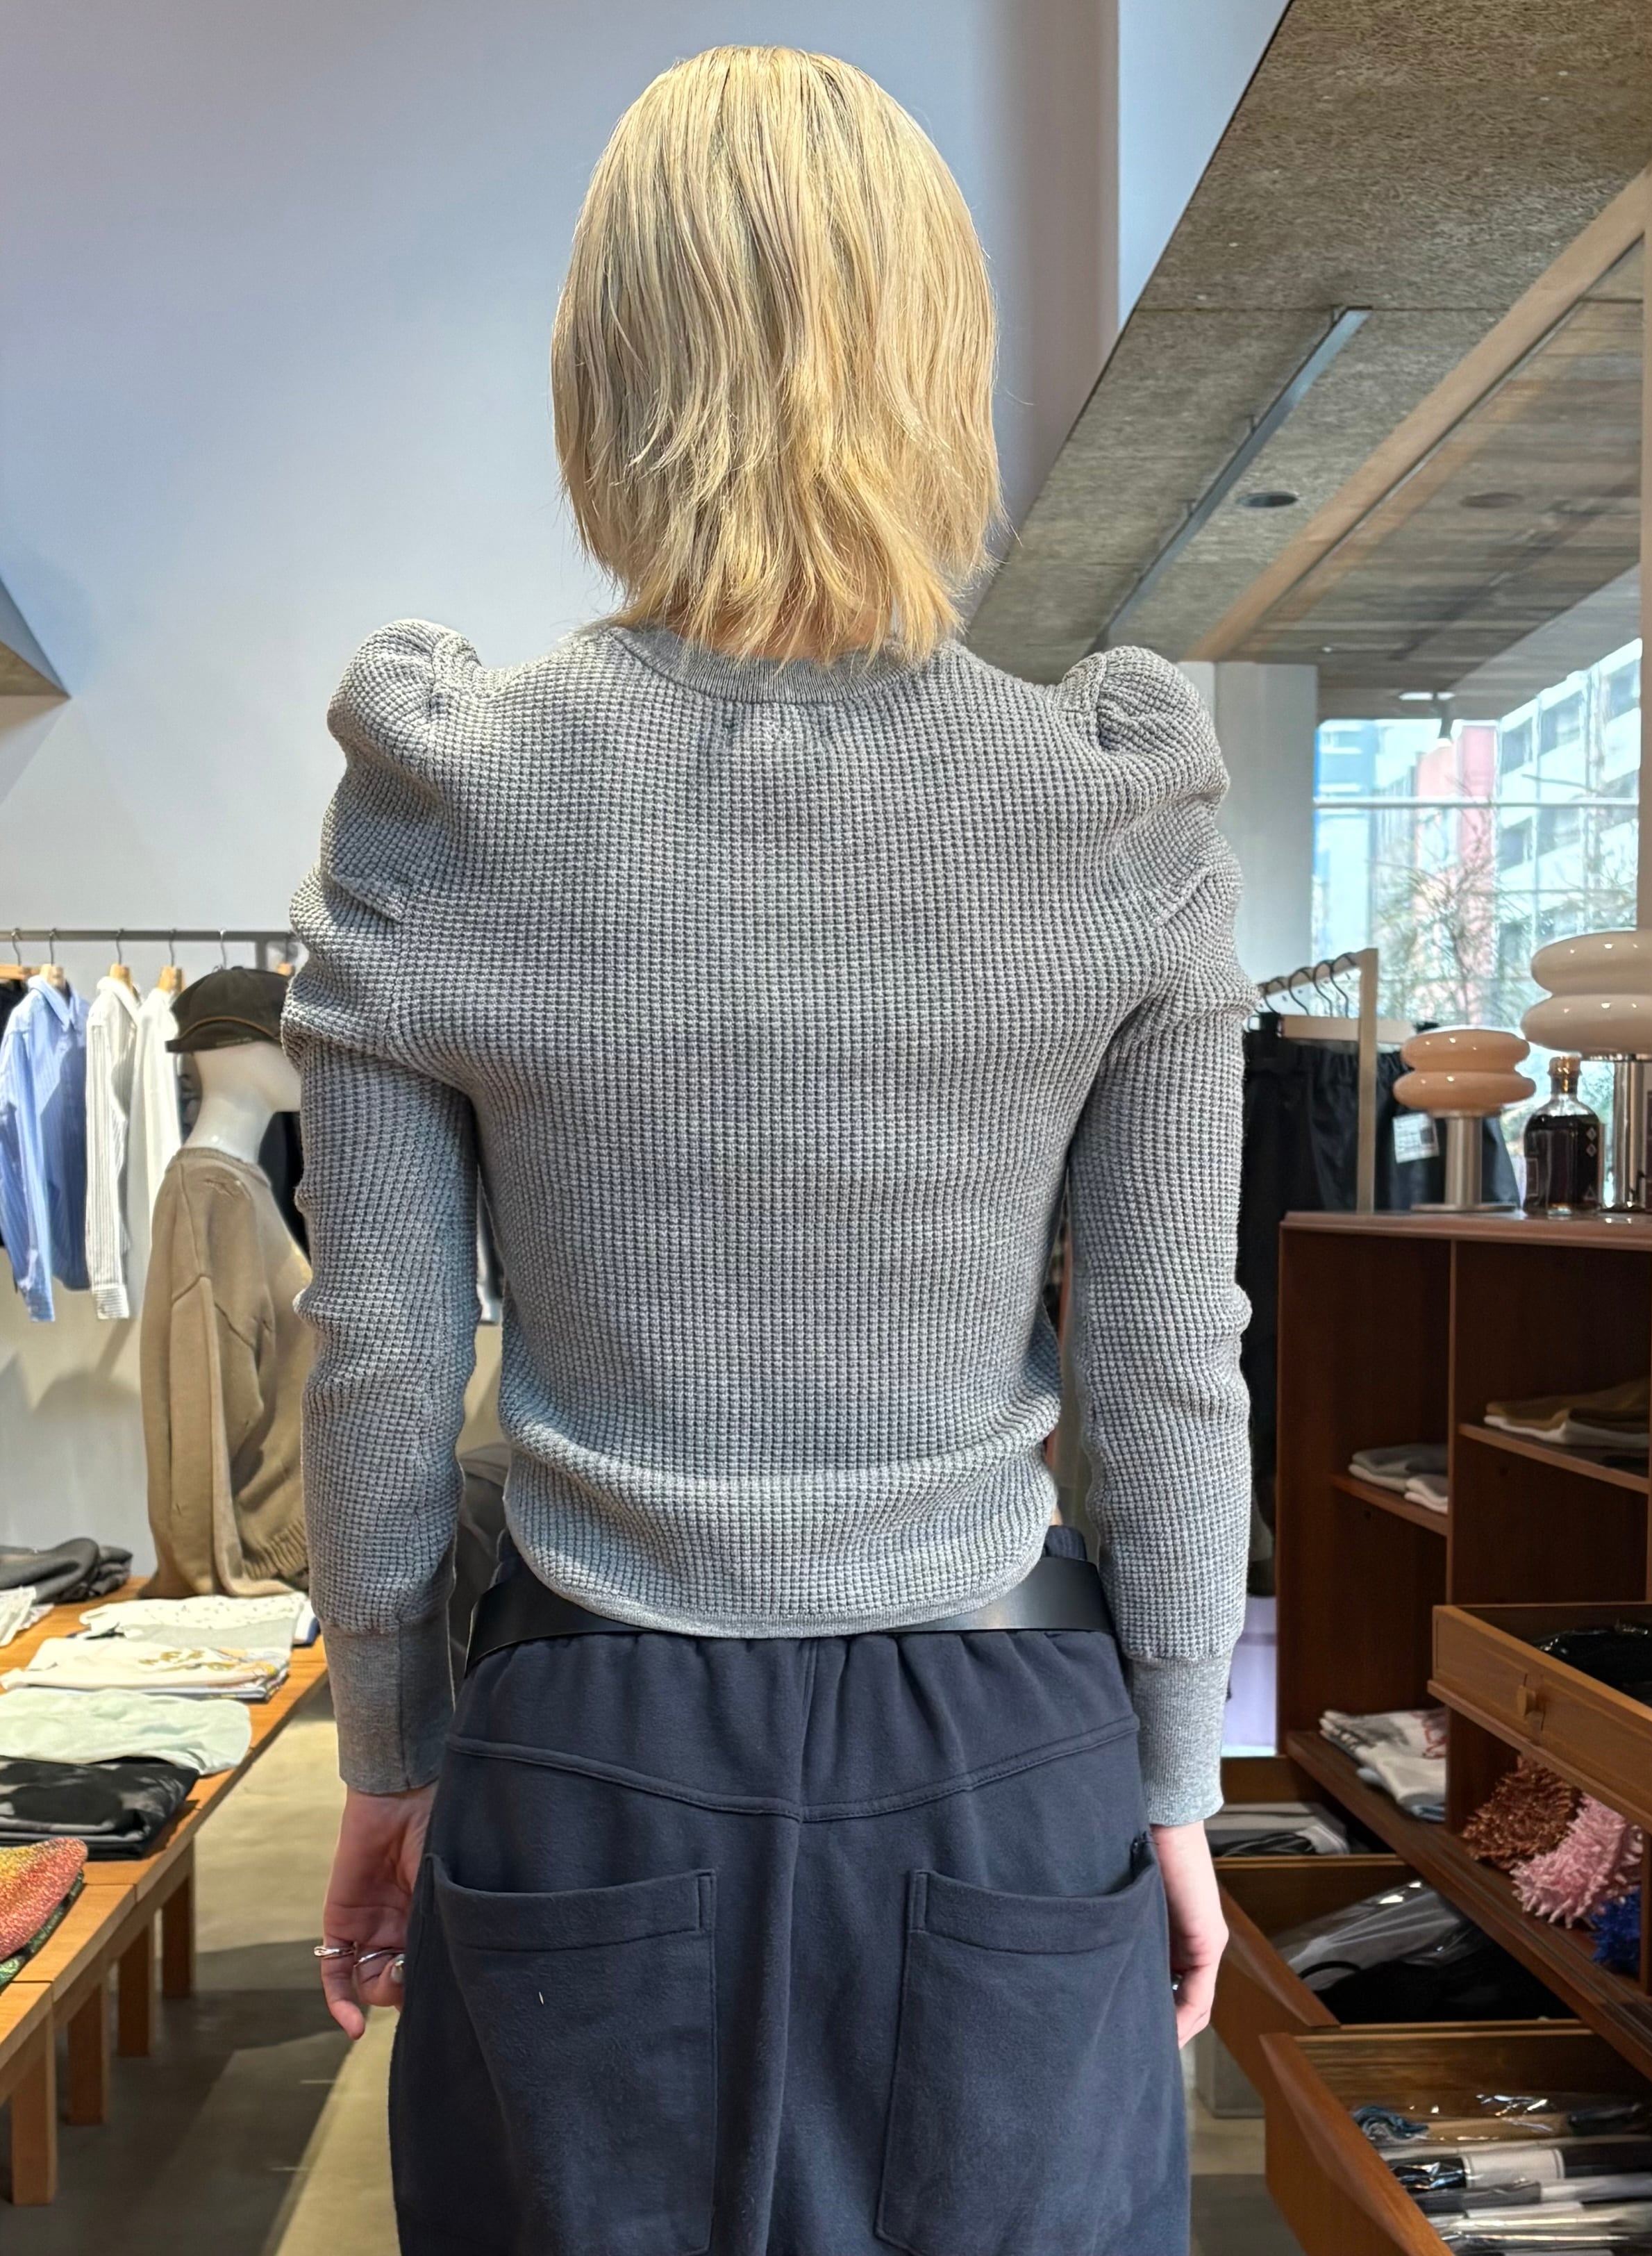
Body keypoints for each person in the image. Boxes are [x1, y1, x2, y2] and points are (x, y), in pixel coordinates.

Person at [284, 44, 1252, 2256]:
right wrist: (1175, 1779)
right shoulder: (1104, 809)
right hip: (1002, 1745)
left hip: (588, 1734)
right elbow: (1165, 1362)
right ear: (941, 365)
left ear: (601, 373)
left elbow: (378, 1352)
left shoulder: (453, 798)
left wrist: (386, 1749)